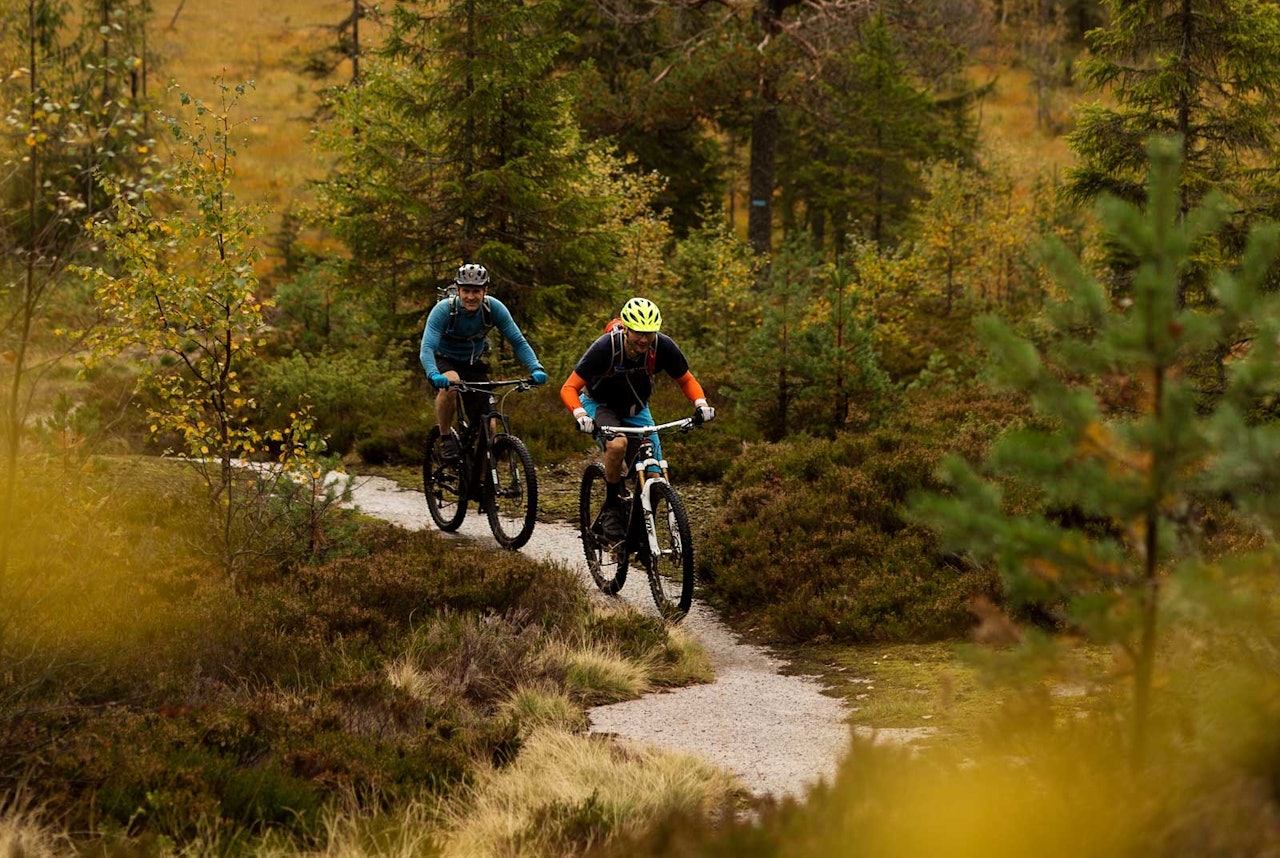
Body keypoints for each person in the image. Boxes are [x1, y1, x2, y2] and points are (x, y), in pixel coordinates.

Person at [560, 296, 715, 539]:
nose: (644, 339)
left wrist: (701, 404)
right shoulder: (606, 348)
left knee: (655, 474)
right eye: (638, 332)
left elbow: (685, 379)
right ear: (626, 328)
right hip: (599, 405)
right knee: (617, 444)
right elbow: (568, 388)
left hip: (637, 409)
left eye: (649, 333)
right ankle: (612, 505)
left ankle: (640, 533)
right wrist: (580, 415)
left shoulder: (662, 347)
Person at [420, 263, 548, 462]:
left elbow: (517, 341)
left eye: (476, 291)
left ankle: (481, 485)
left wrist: (535, 367)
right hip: (442, 359)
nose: (471, 296)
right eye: (466, 291)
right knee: (452, 384)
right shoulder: (444, 310)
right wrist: (433, 374)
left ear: (485, 290)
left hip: (472, 363)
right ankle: (445, 437)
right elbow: (427, 347)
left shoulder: (494, 308)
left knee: (489, 428)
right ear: (458, 290)